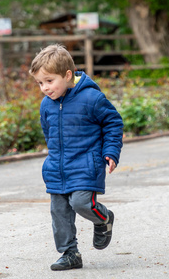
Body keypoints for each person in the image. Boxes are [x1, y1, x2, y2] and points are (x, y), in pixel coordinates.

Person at [29, 44, 123, 271]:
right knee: (59, 213)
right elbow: (48, 131)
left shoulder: (91, 98)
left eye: (49, 81)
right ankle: (70, 253)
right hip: (57, 167)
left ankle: (104, 219)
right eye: (40, 83)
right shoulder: (46, 104)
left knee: (81, 203)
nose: (44, 88)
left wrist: (110, 152)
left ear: (68, 75)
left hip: (85, 163)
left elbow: (113, 123)